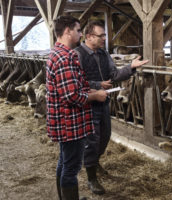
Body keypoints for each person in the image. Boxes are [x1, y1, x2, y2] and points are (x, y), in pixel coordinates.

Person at [75, 20, 148, 195]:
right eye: (101, 35)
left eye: (104, 35)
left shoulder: (103, 54)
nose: (104, 38)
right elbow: (76, 82)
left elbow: (114, 74)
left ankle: (95, 162)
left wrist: (130, 67)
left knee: (105, 136)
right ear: (89, 36)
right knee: (91, 141)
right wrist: (97, 84)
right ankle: (92, 178)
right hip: (87, 105)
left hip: (104, 103)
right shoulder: (77, 55)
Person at [46, 16, 108, 200]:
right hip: (70, 122)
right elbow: (72, 96)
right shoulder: (65, 58)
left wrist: (89, 87)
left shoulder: (57, 53)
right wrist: (96, 95)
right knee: (71, 168)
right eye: (78, 30)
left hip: (64, 120)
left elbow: (71, 87)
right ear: (67, 31)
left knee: (64, 162)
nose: (81, 34)